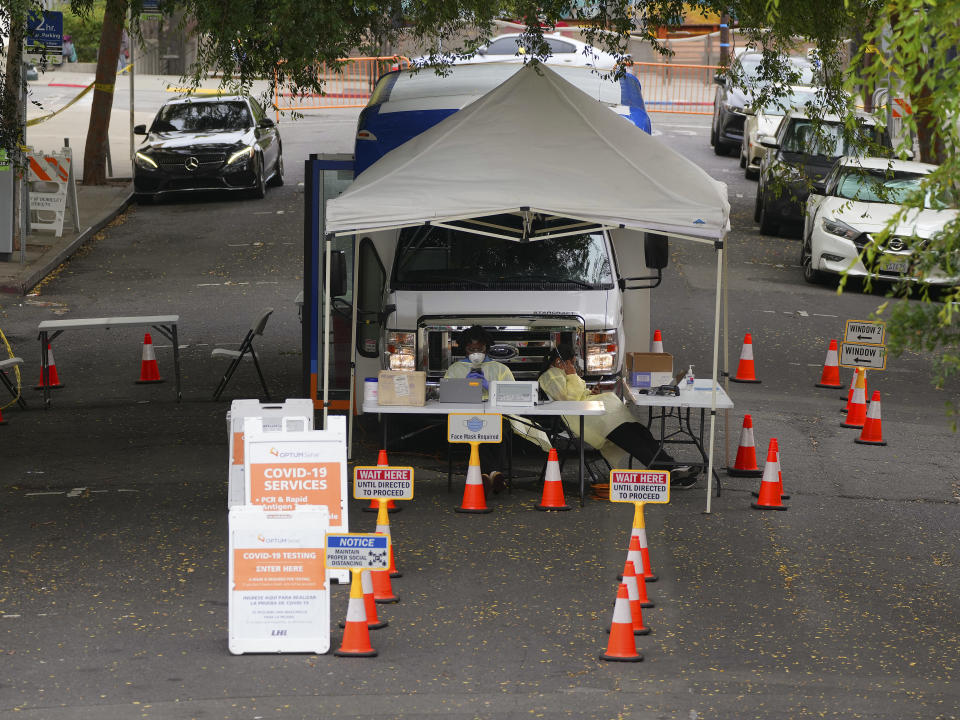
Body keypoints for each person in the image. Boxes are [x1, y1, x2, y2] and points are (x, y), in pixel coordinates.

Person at [538, 344, 699, 488]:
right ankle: (667, 471)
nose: (573, 366)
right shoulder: (551, 376)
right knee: (631, 439)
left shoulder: (562, 373)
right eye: (571, 362)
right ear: (560, 361)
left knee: (640, 431)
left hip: (598, 412)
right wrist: (573, 376)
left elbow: (577, 394)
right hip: (586, 419)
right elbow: (567, 400)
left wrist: (589, 391)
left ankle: (670, 466)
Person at [443, 325, 514, 494]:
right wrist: (464, 386)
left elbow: (513, 397)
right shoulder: (455, 369)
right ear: (464, 349)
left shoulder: (500, 369)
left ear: (486, 347)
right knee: (476, 431)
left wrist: (490, 387)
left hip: (496, 414)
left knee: (497, 429)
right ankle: (495, 473)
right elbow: (446, 396)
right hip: (465, 414)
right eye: (471, 349)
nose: (475, 352)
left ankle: (484, 474)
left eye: (479, 348)